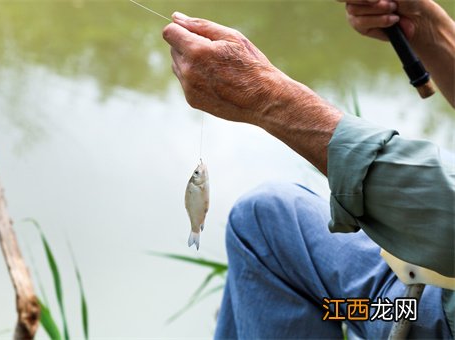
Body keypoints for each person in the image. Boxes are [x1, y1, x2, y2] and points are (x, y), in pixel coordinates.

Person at [162, 0, 455, 338]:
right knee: (267, 214)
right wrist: (430, 30)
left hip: (427, 313)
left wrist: (269, 96)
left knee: (262, 225)